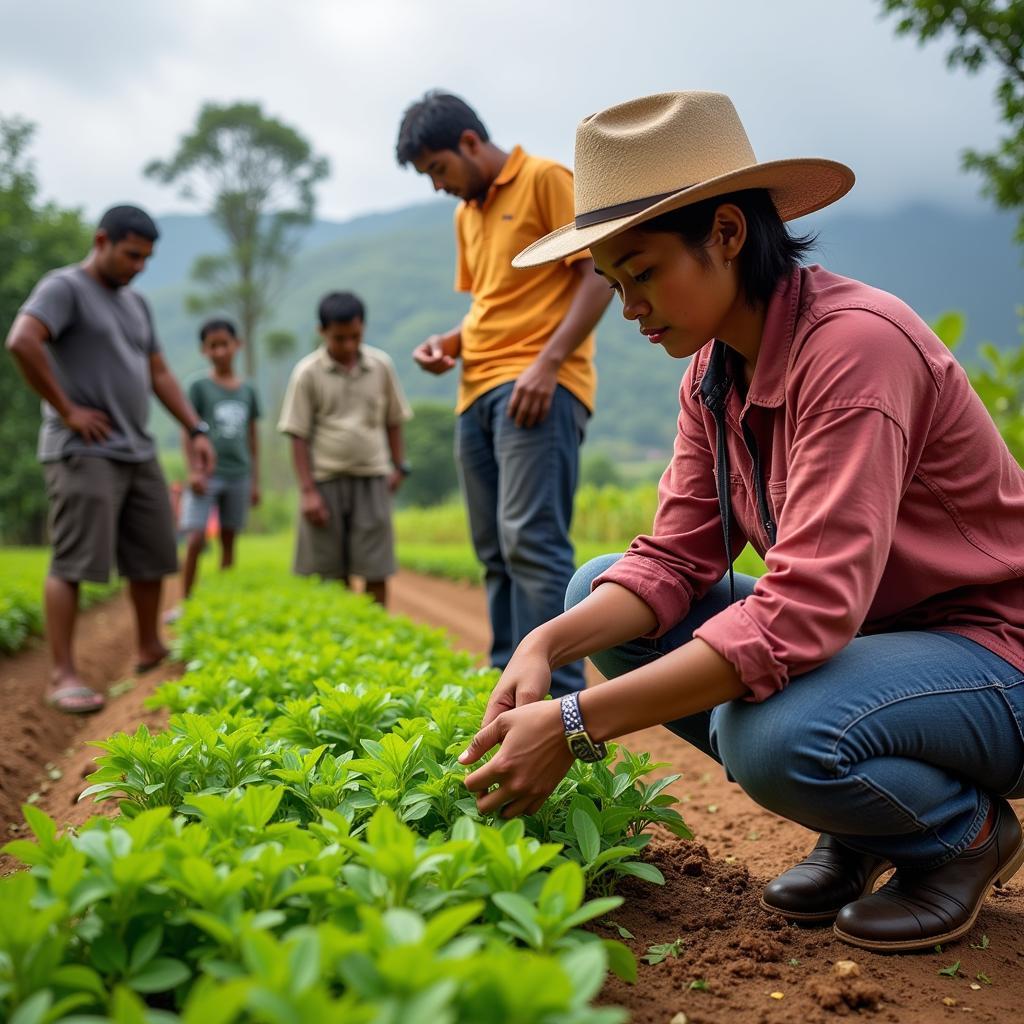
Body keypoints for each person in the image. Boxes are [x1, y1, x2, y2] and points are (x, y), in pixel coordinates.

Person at [456, 91, 1024, 953]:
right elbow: (672, 560)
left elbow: (805, 612)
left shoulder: (857, 347)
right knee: (589, 590)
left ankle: (957, 836)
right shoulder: (714, 375)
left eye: (643, 272)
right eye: (613, 284)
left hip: (993, 656)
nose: (630, 306)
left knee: (770, 734)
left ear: (726, 233)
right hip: (880, 654)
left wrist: (577, 722)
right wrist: (543, 646)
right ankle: (869, 824)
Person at [396, 91, 611, 698]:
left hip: (536, 387)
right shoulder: (467, 213)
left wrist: (547, 364)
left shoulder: (545, 179)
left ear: (469, 142)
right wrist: (451, 342)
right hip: (476, 391)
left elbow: (598, 269)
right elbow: (491, 302)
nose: (438, 186)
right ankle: (506, 687)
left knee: (531, 540)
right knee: (492, 547)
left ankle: (560, 700)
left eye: (438, 169)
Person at [5, 204, 215, 712]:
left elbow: (159, 373)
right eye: (131, 255)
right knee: (74, 561)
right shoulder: (65, 288)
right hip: (83, 449)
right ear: (102, 241)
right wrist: (68, 410)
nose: (138, 266)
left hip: (135, 446)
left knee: (152, 553)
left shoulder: (136, 304)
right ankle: (63, 674)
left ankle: (148, 646)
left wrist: (195, 427)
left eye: (146, 258)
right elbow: (22, 341)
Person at [278, 291, 411, 607]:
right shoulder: (307, 373)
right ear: (321, 332)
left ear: (363, 328)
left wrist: (399, 466)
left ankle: (376, 634)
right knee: (328, 572)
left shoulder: (381, 366)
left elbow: (394, 420)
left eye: (355, 336)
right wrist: (308, 492)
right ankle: (342, 635)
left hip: (373, 478)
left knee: (376, 568)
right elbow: (298, 435)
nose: (348, 345)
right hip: (326, 483)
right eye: (339, 339)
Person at [165, 318, 261, 620]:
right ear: (204, 350)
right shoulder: (198, 387)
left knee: (229, 542)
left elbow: (252, 436)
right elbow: (187, 429)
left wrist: (256, 481)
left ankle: (223, 605)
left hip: (239, 474)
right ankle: (187, 602)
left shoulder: (248, 390)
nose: (220, 351)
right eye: (212, 346)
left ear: (237, 345)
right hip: (206, 475)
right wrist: (194, 469)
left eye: (225, 344)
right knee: (194, 538)